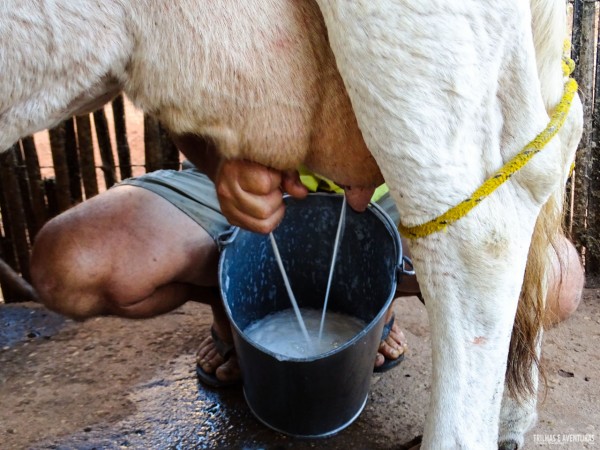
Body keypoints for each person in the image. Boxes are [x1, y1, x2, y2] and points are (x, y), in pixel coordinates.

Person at [29, 136, 584, 387]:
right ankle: (233, 309)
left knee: (554, 282)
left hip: (398, 192)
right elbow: (163, 67)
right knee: (68, 265)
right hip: (244, 184)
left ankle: (375, 301)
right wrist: (221, 161)